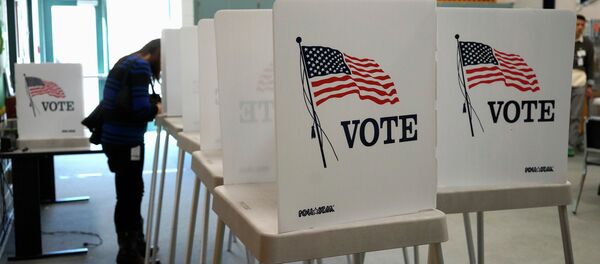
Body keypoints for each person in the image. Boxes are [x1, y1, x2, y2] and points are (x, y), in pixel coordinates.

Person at [101, 39, 162, 264]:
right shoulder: (140, 67)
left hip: (114, 139)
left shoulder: (126, 61)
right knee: (131, 193)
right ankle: (128, 252)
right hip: (127, 142)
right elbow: (139, 110)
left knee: (129, 192)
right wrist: (157, 108)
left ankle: (135, 244)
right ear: (157, 53)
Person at [570, 14, 595, 157]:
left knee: (575, 115)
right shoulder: (565, 40)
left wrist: (590, 86)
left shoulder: (587, 44)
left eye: (582, 25)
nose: (580, 27)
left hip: (580, 83)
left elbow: (590, 66)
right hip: (565, 82)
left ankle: (571, 144)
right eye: (577, 24)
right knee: (564, 115)